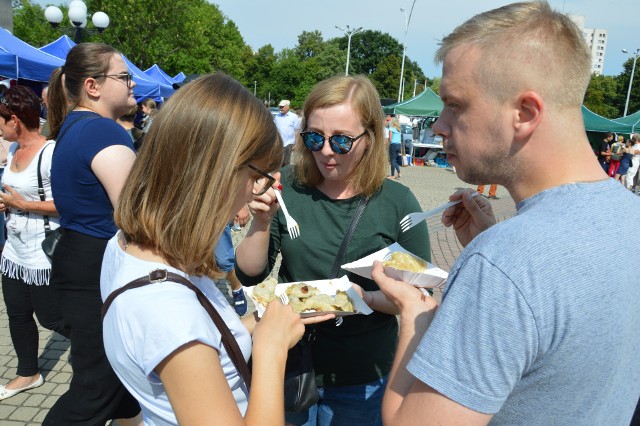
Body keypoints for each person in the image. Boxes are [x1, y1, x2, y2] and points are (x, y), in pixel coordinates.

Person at [373, 2, 640, 425]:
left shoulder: (504, 262)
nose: (439, 125)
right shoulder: (630, 217)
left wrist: (415, 316)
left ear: (525, 113)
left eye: (455, 104)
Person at [101, 73, 332, 425]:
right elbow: (180, 329)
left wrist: (260, 321)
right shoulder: (166, 310)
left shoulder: (127, 246)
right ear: (212, 173)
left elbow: (203, 340)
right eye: (257, 177)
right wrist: (271, 350)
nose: (257, 192)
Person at [235, 75, 430, 426]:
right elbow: (252, 272)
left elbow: (419, 295)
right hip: (290, 365)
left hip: (362, 376)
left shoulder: (398, 203)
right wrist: (261, 223)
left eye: (341, 140)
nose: (325, 151)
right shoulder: (288, 188)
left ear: (369, 139)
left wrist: (365, 298)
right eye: (314, 137)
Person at [44, 43, 141, 425]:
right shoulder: (103, 131)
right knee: (95, 388)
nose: (132, 84)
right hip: (98, 270)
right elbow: (134, 216)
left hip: (80, 261)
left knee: (121, 389)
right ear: (92, 86)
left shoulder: (76, 126)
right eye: (123, 76)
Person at [0, 86, 69, 400]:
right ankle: (28, 373)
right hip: (14, 249)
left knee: (51, 317)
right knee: (16, 313)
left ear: (14, 121)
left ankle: (100, 346)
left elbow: (68, 203)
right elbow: (16, 194)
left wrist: (24, 205)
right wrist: (8, 204)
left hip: (43, 250)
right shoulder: (13, 151)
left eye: (1, 122)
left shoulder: (50, 152)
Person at [274, 99, 301, 166]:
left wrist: (296, 143)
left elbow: (297, 130)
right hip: (279, 143)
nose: (281, 108)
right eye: (280, 107)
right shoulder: (277, 116)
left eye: (282, 107)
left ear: (287, 107)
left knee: (286, 162)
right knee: (278, 161)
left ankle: (284, 175)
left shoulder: (293, 117)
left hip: (289, 142)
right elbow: (274, 129)